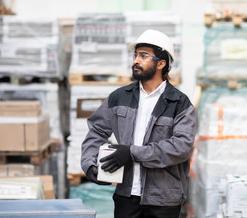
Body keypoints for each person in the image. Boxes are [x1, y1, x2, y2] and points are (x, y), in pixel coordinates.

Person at [81, 29, 197, 218]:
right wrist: (90, 163)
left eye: (144, 56)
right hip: (126, 196)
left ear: (161, 63)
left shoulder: (179, 103)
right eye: (135, 55)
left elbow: (181, 147)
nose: (136, 60)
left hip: (163, 199)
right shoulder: (119, 97)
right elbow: (96, 131)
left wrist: (132, 152)